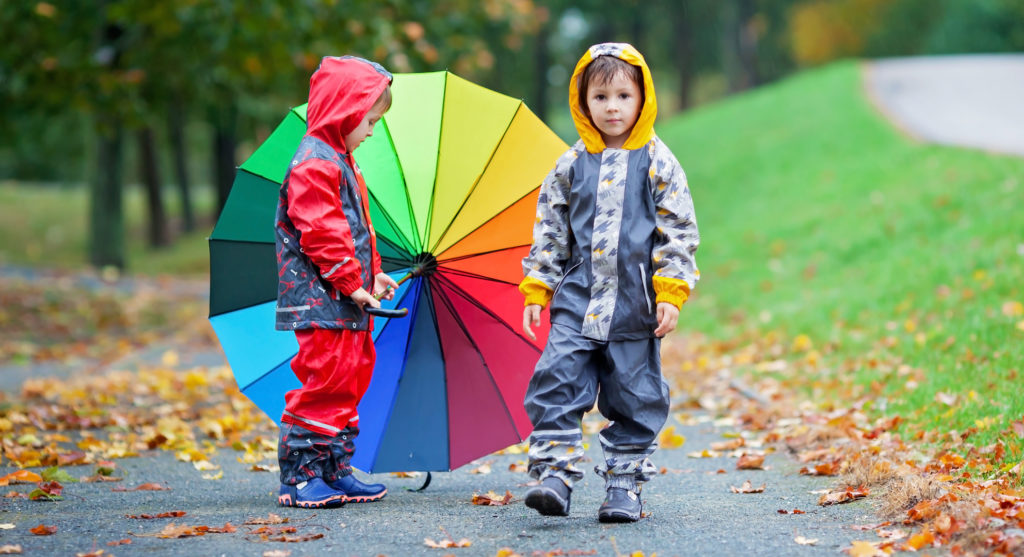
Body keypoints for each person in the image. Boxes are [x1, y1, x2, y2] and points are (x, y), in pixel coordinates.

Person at [519, 43, 700, 523]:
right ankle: (554, 475)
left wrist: (672, 292)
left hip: (634, 306)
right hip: (576, 301)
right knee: (556, 378)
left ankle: (623, 484)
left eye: (623, 95)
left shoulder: (659, 162)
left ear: (643, 99)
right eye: (600, 97)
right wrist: (539, 285)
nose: (613, 107)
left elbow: (678, 232)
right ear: (583, 103)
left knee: (635, 394)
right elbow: (551, 230)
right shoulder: (569, 164)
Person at [274, 56, 399, 508]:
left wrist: (374, 271)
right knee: (326, 378)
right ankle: (301, 475)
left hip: (347, 296)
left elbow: (356, 227)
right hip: (321, 298)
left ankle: (334, 466)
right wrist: (350, 280)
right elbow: (323, 232)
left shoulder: (343, 159)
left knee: (351, 376)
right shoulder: (314, 163)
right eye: (369, 120)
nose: (372, 130)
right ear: (344, 111)